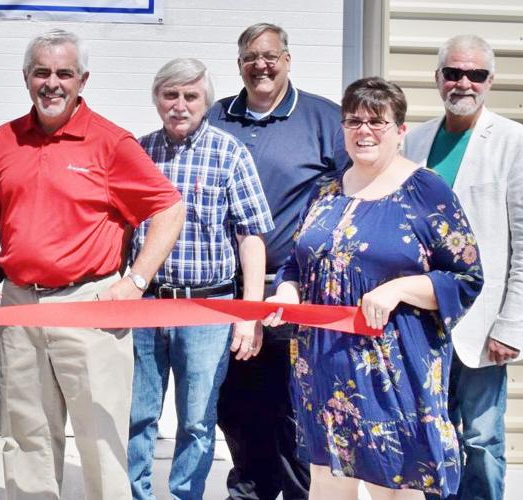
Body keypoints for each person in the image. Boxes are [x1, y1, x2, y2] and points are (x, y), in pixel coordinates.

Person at [0, 29, 184, 499]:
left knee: (101, 444)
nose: (52, 83)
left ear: (83, 80)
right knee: (26, 440)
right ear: (26, 78)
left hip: (89, 308)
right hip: (20, 306)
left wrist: (136, 281)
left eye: (64, 73)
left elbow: (168, 207)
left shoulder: (110, 142)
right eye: (42, 72)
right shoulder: (4, 139)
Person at [262, 77, 484, 499]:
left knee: (392, 484)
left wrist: (399, 288)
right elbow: (296, 262)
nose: (363, 130)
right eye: (353, 121)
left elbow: (466, 277)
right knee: (327, 481)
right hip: (323, 367)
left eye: (376, 121)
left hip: (393, 367)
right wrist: (287, 291)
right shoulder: (325, 192)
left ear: (400, 131)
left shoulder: (425, 190)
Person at [401, 35, 523, 500]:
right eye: (454, 72)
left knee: (482, 440)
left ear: (491, 80)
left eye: (476, 74)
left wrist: (512, 323)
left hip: (485, 323)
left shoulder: (517, 142)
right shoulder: (417, 140)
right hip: (422, 321)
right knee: (431, 434)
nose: (463, 82)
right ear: (437, 77)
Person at [205, 22, 347, 499]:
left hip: (292, 290)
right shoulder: (216, 117)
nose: (260, 65)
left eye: (270, 56)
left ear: (287, 60)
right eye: (250, 57)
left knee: (291, 411)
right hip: (226, 291)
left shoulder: (324, 120)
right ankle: (248, 492)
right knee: (236, 408)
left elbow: (355, 195)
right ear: (239, 64)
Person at [126, 58, 274, 500]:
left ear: (205, 101)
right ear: (157, 100)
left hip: (208, 310)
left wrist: (249, 314)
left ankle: (185, 494)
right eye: (170, 95)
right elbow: (117, 229)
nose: (179, 105)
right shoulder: (138, 153)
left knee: (196, 419)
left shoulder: (231, 153)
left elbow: (251, 238)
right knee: (138, 414)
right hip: (147, 306)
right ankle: (138, 494)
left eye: (190, 96)